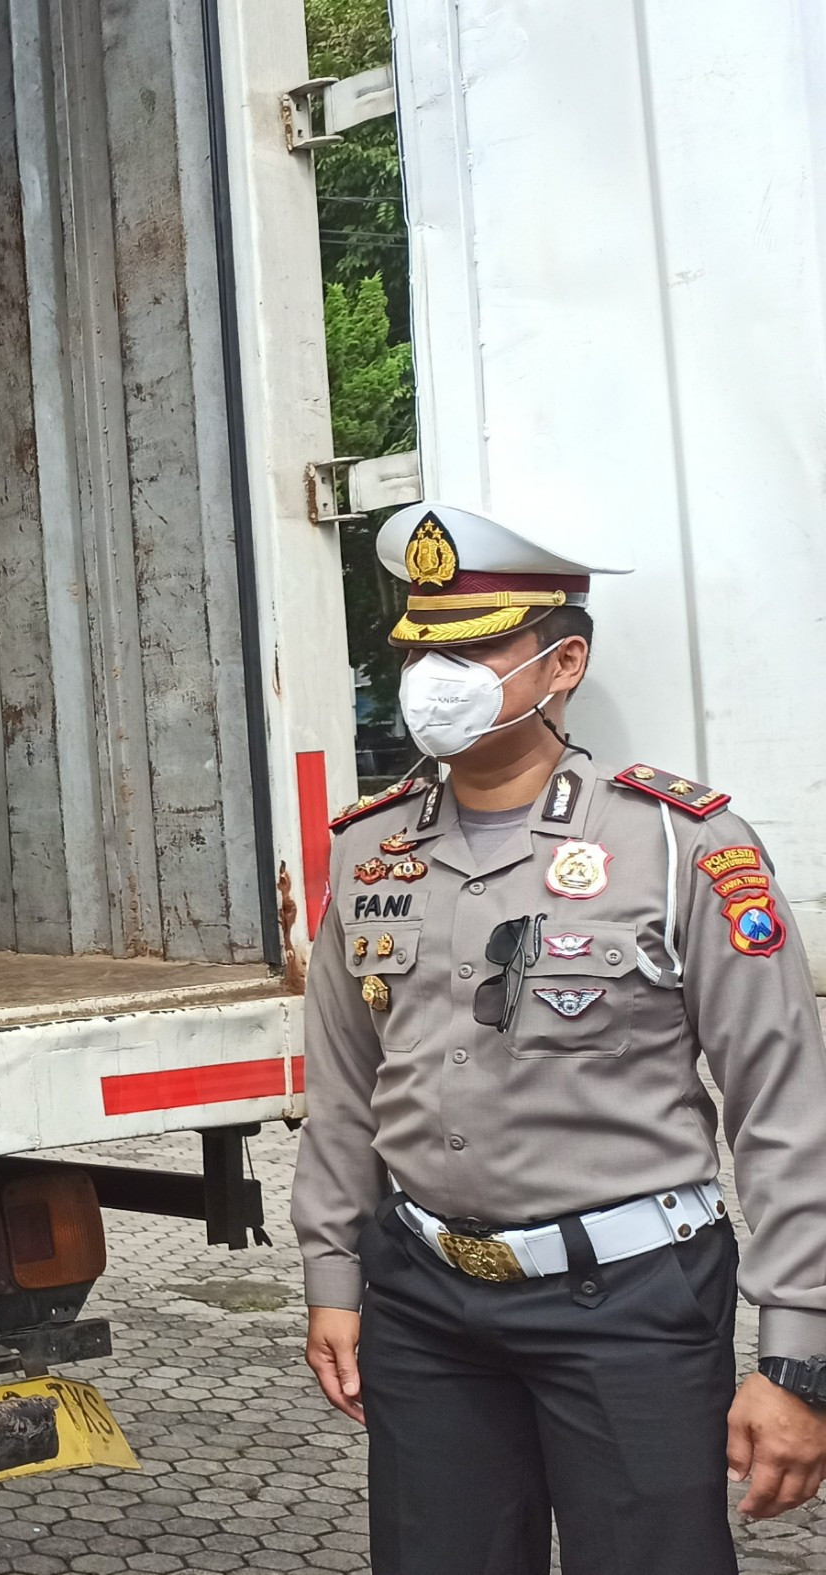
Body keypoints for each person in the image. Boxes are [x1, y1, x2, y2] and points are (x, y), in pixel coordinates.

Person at [293, 502, 826, 1572]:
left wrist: (796, 1354)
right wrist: (333, 1279)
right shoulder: (370, 849)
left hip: (628, 1304)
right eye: (421, 647)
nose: (436, 673)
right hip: (425, 1299)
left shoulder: (677, 844)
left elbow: (782, 1104)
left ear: (561, 661)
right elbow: (347, 1090)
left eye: (474, 646)